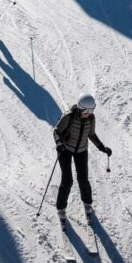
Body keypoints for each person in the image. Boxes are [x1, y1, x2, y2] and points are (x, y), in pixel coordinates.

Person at [53, 93, 112, 226]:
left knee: (83, 180)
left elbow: (91, 134)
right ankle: (61, 208)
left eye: (91, 111)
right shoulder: (69, 116)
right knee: (67, 180)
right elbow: (56, 131)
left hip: (81, 150)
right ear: (80, 108)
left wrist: (102, 147)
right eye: (86, 111)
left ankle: (87, 203)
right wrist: (59, 144)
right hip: (65, 150)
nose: (89, 114)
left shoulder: (91, 119)